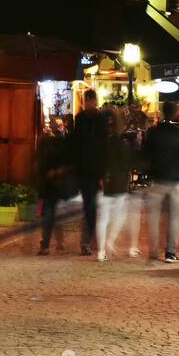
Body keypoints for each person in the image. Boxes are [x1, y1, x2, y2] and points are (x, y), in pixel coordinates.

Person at [143, 101, 179, 262]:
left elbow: (145, 156)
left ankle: (153, 250)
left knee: (153, 217)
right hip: (178, 180)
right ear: (176, 114)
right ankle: (170, 252)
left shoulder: (152, 133)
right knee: (174, 217)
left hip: (157, 179)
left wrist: (148, 172)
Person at [95, 111, 136, 261]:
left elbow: (98, 163)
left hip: (104, 182)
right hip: (118, 183)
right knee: (120, 216)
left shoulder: (102, 143)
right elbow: (127, 163)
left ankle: (101, 251)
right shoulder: (122, 143)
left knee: (103, 218)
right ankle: (109, 241)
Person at [72, 89, 107, 255]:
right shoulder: (98, 119)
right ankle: (88, 240)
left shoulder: (81, 118)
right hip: (91, 169)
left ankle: (87, 240)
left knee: (90, 205)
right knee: (91, 206)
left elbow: (76, 143)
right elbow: (103, 146)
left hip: (86, 168)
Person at [36, 118, 73, 255]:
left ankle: (47, 243)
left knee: (50, 213)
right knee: (53, 213)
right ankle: (55, 242)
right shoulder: (56, 144)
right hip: (54, 184)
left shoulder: (46, 144)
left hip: (50, 184)